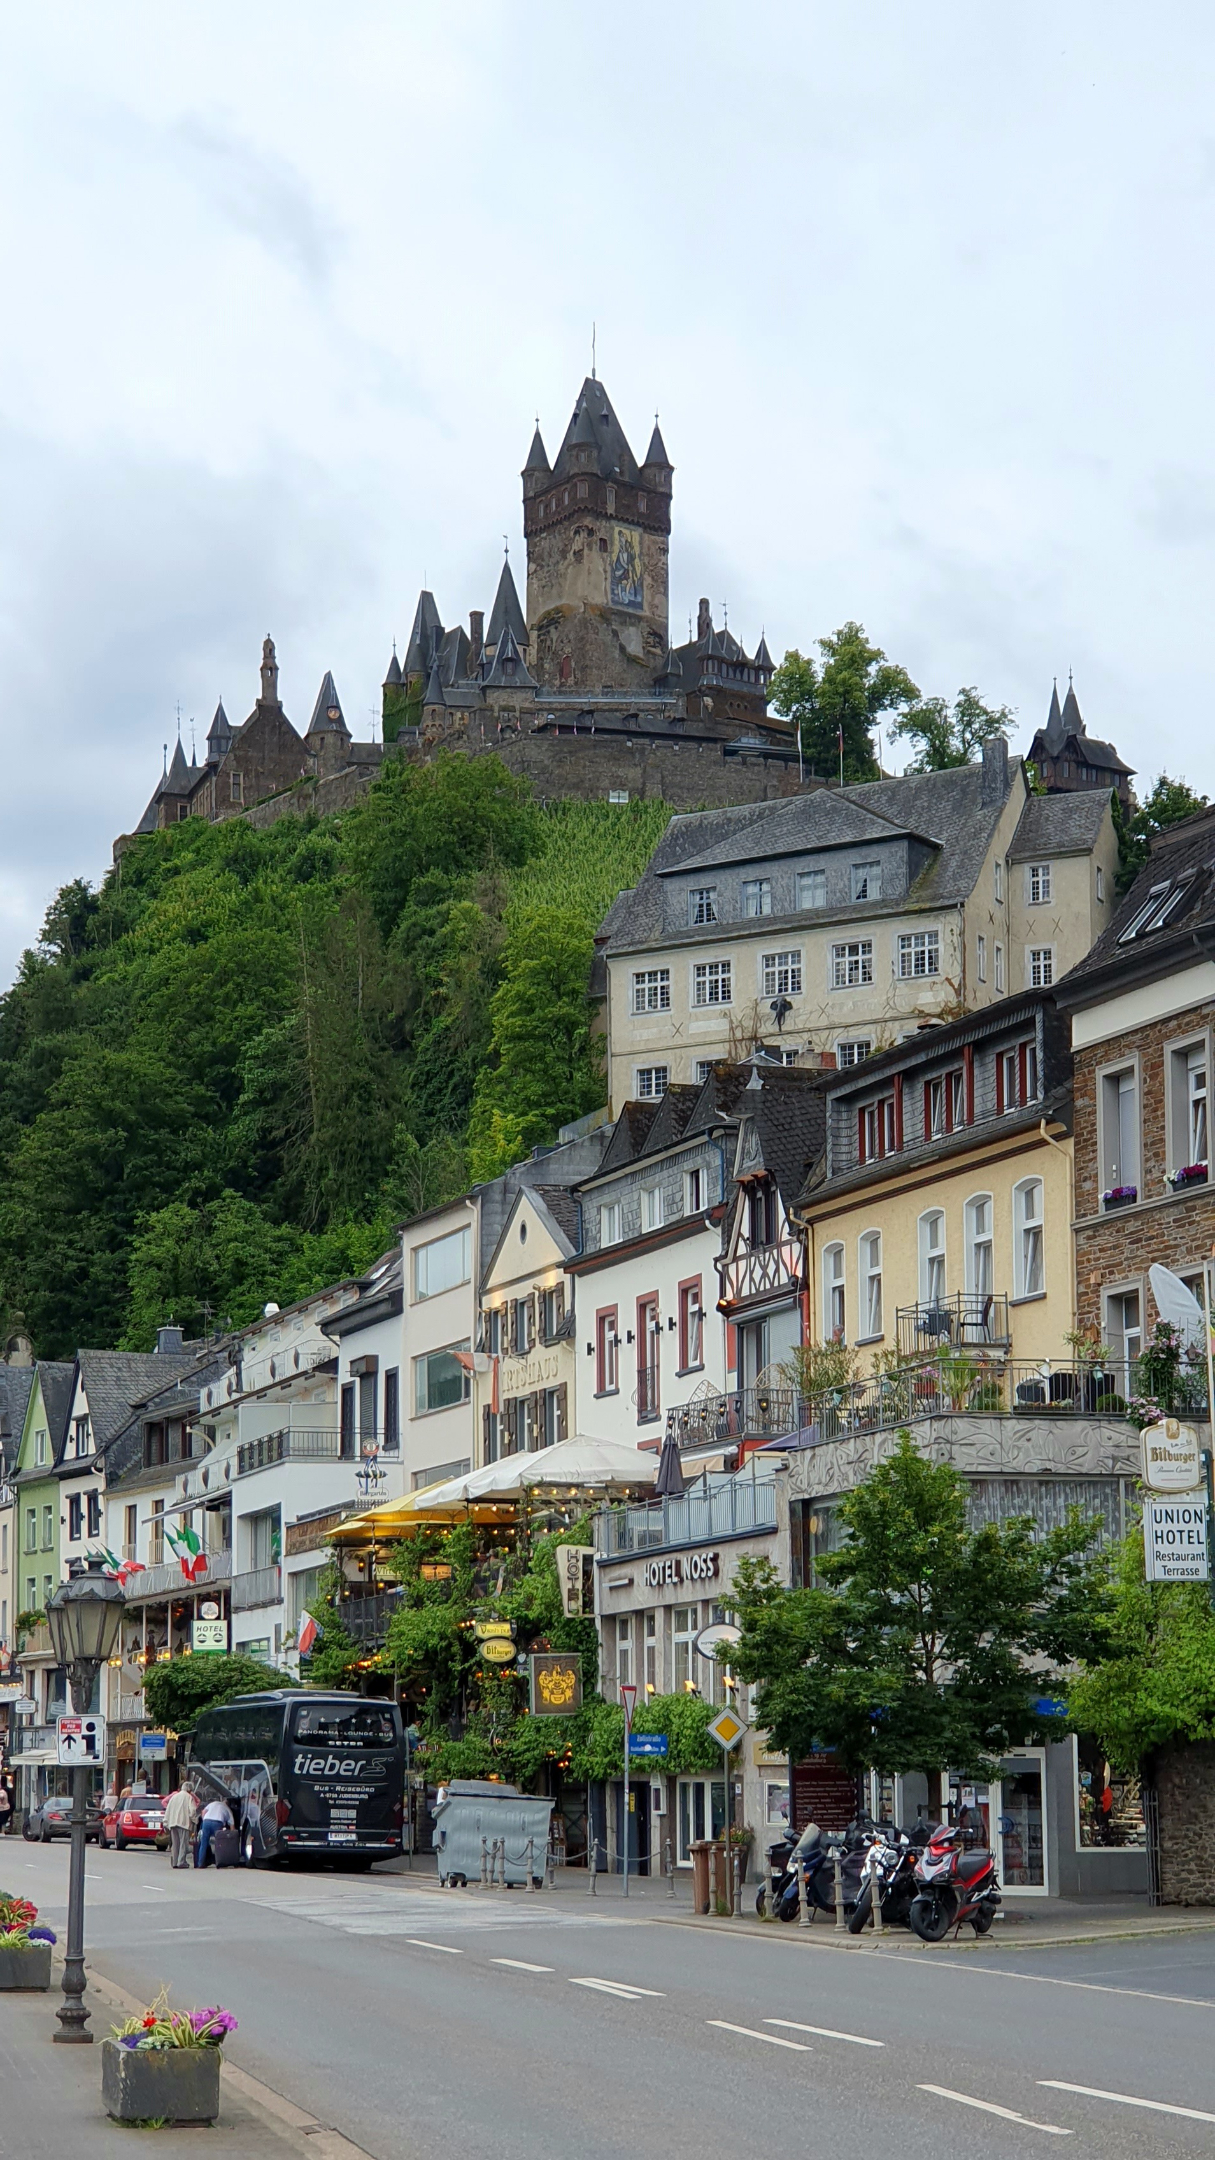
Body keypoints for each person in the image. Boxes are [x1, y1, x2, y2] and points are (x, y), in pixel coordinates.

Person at [195, 1792, 234, 1869]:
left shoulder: (213, 1803)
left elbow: (203, 1812)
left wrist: (204, 1820)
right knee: (218, 1843)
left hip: (206, 1822)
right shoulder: (228, 1809)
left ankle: (200, 1863)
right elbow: (232, 1825)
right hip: (217, 1823)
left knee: (204, 1843)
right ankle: (218, 1862)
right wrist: (232, 1836)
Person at [164, 1782, 198, 1870]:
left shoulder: (174, 1797)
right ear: (189, 1789)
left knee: (175, 1844)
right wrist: (195, 1821)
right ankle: (181, 1862)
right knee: (183, 1843)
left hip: (172, 1823)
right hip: (184, 1823)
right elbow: (192, 1811)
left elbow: (168, 1810)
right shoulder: (189, 1797)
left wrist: (165, 1823)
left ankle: (174, 1862)